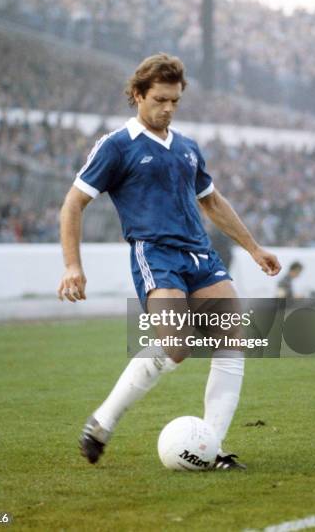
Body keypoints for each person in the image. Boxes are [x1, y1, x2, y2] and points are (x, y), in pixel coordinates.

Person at [57, 54, 281, 470]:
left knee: (232, 339)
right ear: (138, 95)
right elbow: (73, 203)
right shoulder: (116, 145)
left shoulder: (187, 147)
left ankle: (212, 448)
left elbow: (211, 201)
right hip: (155, 253)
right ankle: (102, 423)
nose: (168, 108)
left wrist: (253, 248)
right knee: (176, 346)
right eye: (160, 99)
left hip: (200, 254)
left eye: (175, 101)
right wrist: (73, 265)